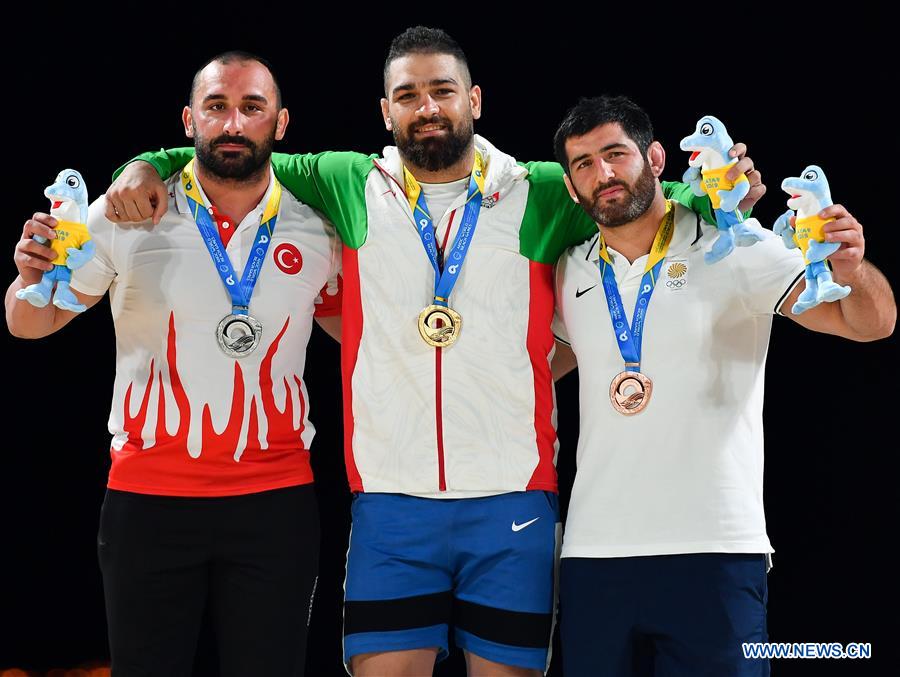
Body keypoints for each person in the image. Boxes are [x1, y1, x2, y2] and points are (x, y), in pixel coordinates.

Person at [105, 28, 761, 676]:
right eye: (408, 94)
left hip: (512, 503)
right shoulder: (347, 181)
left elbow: (633, 195)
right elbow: (233, 152)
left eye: (442, 90)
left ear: (473, 100)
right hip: (391, 505)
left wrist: (715, 194)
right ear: (385, 110)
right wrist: (144, 166)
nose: (427, 107)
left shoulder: (538, 189)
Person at [6, 52, 342, 676]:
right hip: (148, 504)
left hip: (275, 503)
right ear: (190, 120)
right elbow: (30, 324)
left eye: (251, 108)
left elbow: (359, 337)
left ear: (282, 122)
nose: (233, 122)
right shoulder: (122, 212)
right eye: (216, 107)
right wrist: (27, 278)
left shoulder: (318, 226)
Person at [550, 95, 895, 676]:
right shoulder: (568, 269)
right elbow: (536, 366)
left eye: (615, 154)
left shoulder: (734, 247)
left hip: (713, 550)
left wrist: (853, 270)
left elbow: (869, 325)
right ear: (570, 187)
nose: (603, 173)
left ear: (657, 158)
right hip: (593, 554)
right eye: (584, 163)